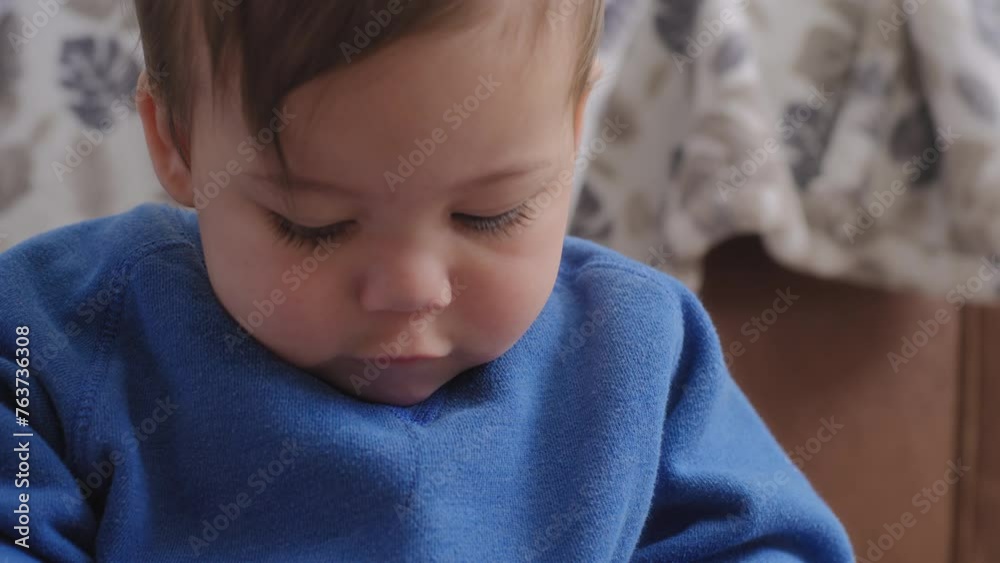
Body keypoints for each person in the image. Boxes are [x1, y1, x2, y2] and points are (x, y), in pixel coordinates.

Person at [0, 1, 853, 560]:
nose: (413, 291)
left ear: (573, 128)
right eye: (314, 225)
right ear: (176, 142)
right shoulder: (55, 330)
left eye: (490, 213)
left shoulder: (637, 350)